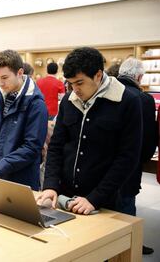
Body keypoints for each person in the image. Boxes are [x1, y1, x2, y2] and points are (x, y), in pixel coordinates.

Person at [36, 47, 142, 216]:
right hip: (66, 197)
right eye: (70, 83)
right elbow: (56, 146)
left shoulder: (127, 101)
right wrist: (50, 185)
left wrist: (95, 198)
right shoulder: (68, 101)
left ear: (98, 75)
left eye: (79, 83)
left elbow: (128, 157)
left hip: (106, 201)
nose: (75, 89)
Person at [0, 50, 48, 190]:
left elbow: (31, 148)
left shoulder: (36, 104)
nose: (0, 83)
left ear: (19, 73)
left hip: (21, 179)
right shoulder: (2, 97)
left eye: (4, 77)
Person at [117, 58, 157, 255]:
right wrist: (143, 158)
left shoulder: (107, 92)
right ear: (139, 77)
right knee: (126, 203)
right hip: (130, 162)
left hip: (104, 163)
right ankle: (130, 247)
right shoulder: (144, 99)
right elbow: (149, 137)